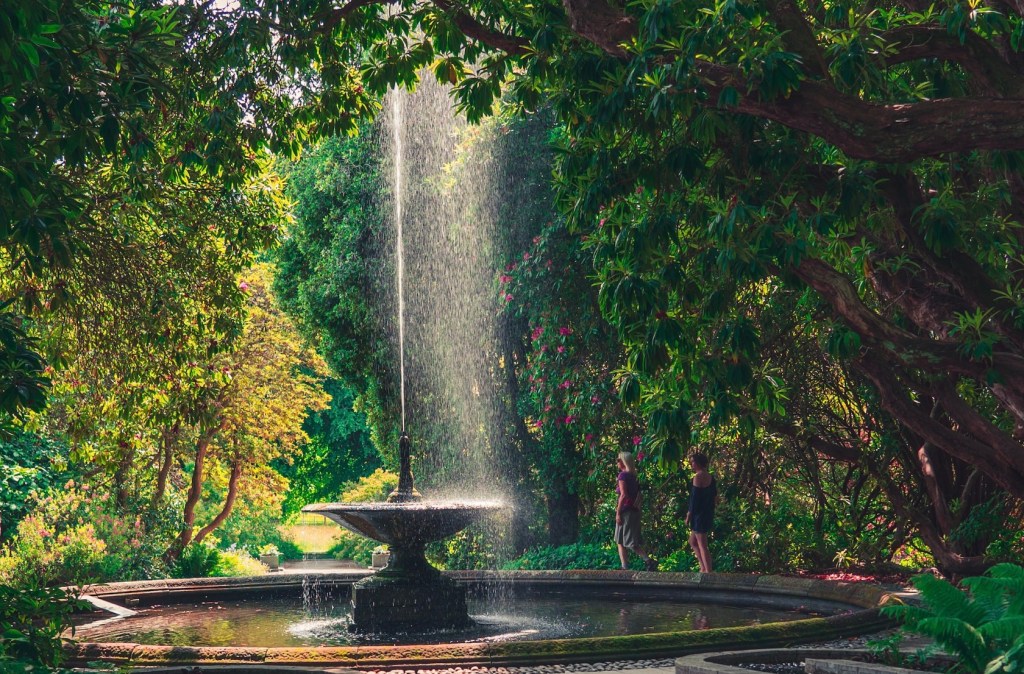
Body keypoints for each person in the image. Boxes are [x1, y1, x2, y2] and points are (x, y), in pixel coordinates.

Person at [614, 451, 657, 571]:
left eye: (618, 460)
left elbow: (623, 495)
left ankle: (648, 560)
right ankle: (624, 566)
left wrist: (618, 513)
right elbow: (639, 495)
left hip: (625, 511)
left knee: (629, 542)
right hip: (633, 511)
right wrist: (637, 506)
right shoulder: (633, 476)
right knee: (620, 540)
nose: (617, 462)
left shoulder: (622, 476)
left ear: (623, 462)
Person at [685, 452, 717, 573]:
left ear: (698, 463)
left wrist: (689, 514)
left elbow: (695, 498)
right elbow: (714, 496)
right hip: (707, 512)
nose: (691, 464)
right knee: (692, 541)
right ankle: (702, 566)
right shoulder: (710, 477)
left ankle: (708, 571)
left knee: (702, 544)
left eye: (692, 462)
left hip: (700, 514)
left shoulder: (698, 477)